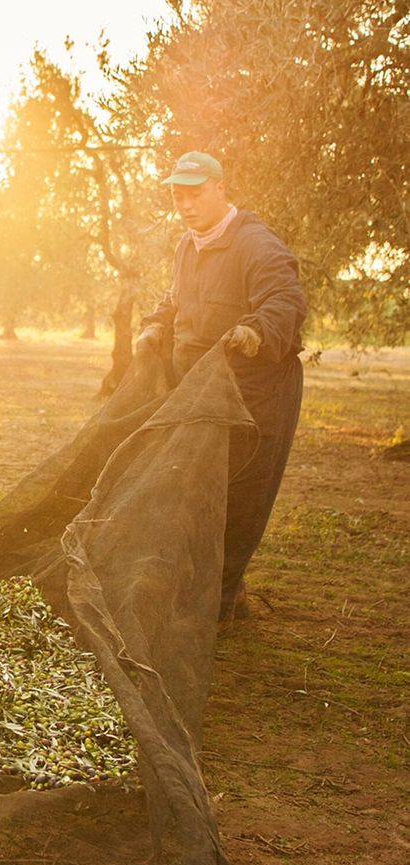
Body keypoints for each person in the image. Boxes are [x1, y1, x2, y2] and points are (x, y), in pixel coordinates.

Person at [135, 150, 307, 619]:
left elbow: (285, 298)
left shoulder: (255, 243)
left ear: (220, 189)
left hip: (257, 396)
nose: (186, 205)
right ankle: (208, 589)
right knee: (194, 491)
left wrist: (256, 330)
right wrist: (156, 325)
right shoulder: (186, 247)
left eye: (196, 194)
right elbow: (177, 301)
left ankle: (222, 601)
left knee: (239, 497)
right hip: (200, 393)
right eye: (178, 196)